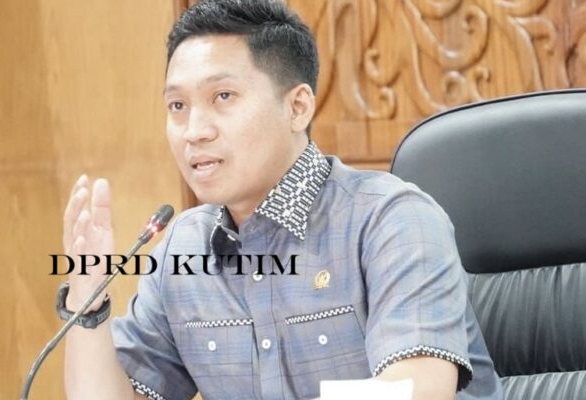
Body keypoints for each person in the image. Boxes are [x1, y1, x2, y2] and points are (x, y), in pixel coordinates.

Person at [60, 0, 504, 399]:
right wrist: (87, 301)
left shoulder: (393, 220)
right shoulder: (183, 248)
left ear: (297, 108)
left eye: (222, 97)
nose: (194, 131)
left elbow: (414, 391)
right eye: (178, 106)